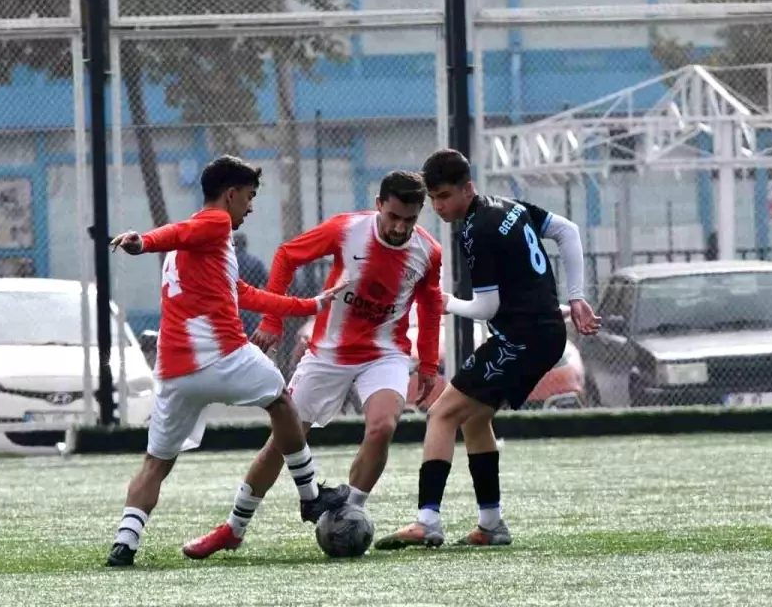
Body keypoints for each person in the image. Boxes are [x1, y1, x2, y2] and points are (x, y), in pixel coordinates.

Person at [180, 170, 445, 558]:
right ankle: (233, 529)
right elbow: (287, 255)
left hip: (384, 353)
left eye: (409, 219)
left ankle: (348, 514)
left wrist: (429, 363)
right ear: (378, 205)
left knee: (383, 426)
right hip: (327, 354)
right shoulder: (347, 230)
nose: (399, 227)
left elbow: (431, 303)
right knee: (282, 441)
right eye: (393, 216)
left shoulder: (428, 252)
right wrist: (272, 321)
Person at [104, 156, 347, 568]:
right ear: (231, 194)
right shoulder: (214, 224)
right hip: (223, 355)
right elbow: (175, 232)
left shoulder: (198, 247)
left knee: (156, 464)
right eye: (249, 197)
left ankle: (124, 543)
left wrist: (309, 304)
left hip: (176, 372)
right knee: (282, 402)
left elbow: (244, 293)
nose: (250, 208)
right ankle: (310, 497)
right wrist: (143, 241)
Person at [375, 149, 600, 550]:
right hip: (541, 334)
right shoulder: (509, 206)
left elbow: (485, 308)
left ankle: (427, 521)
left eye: (445, 196)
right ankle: (491, 524)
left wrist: (443, 301)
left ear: (468, 188)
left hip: (522, 340)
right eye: (434, 198)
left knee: (441, 413)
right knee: (475, 420)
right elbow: (567, 230)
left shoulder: (476, 231)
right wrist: (576, 296)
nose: (439, 207)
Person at [234, 232, 270, 337]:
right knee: (252, 338)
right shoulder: (255, 262)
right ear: (246, 244)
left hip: (233, 306)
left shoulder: (229, 263)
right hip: (252, 306)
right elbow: (266, 282)